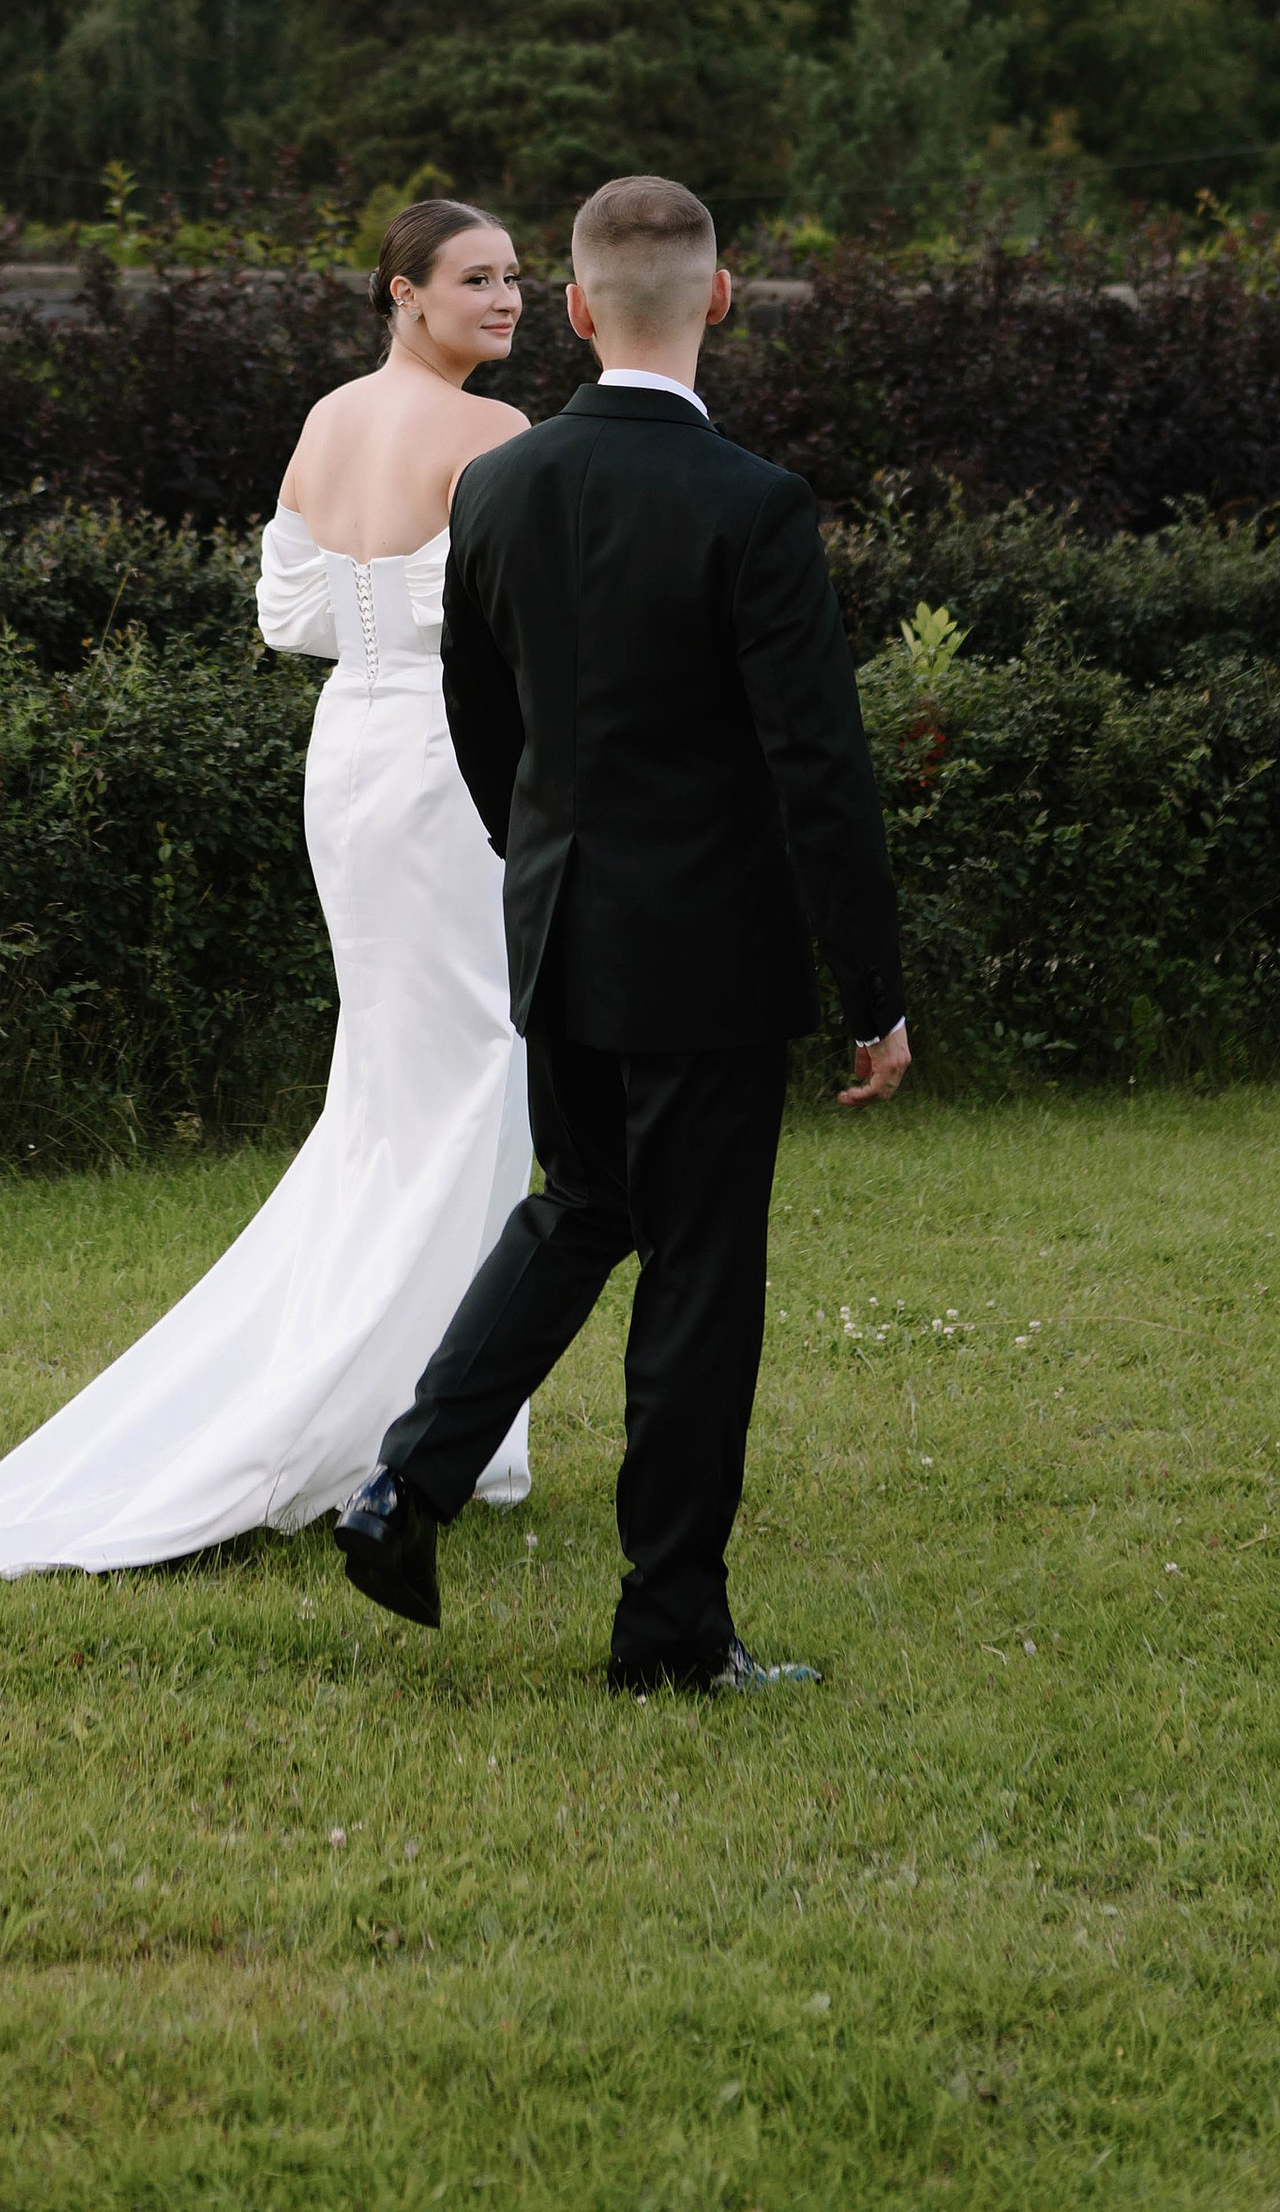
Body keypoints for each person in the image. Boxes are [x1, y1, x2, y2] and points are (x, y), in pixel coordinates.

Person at [333, 172, 911, 1696]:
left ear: (578, 310)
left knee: (580, 1208)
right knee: (699, 1276)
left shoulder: (505, 486)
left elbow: (477, 712)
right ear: (718, 299)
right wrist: (876, 989)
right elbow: (819, 769)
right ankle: (667, 1635)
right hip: (709, 955)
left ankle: (406, 1482)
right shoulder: (757, 505)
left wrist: (540, 862)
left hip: (560, 931)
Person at [0, 198, 536, 1576]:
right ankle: (419, 1414)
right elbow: (537, 627)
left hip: (352, 749)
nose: (508, 298)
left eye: (519, 278)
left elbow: (289, 613)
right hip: (451, 763)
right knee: (479, 1063)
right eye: (478, 278)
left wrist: (385, 633)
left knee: (397, 1071)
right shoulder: (495, 439)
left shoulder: (326, 420)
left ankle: (450, 1411)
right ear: (402, 293)